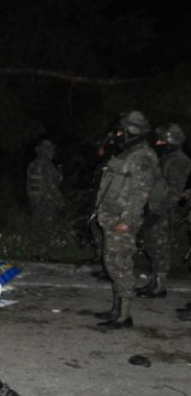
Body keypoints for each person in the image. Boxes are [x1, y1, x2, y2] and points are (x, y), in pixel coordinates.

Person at [93, 111, 158, 329]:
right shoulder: (127, 153)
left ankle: (124, 316)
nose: (118, 134)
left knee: (121, 265)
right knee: (112, 264)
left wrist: (127, 220)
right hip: (111, 216)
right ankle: (116, 309)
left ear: (132, 130)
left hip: (122, 219)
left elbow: (141, 192)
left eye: (122, 130)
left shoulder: (142, 156)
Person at [137, 123, 191, 298]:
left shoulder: (179, 161)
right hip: (153, 206)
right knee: (152, 246)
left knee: (161, 247)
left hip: (163, 211)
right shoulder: (165, 157)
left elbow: (174, 191)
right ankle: (154, 281)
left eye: (162, 140)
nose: (158, 143)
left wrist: (158, 212)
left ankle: (160, 285)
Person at [26, 139, 64, 260]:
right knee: (45, 227)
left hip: (35, 200)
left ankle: (35, 253)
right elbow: (52, 184)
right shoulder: (47, 165)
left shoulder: (33, 164)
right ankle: (42, 253)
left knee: (36, 226)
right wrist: (60, 200)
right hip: (46, 200)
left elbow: (28, 184)